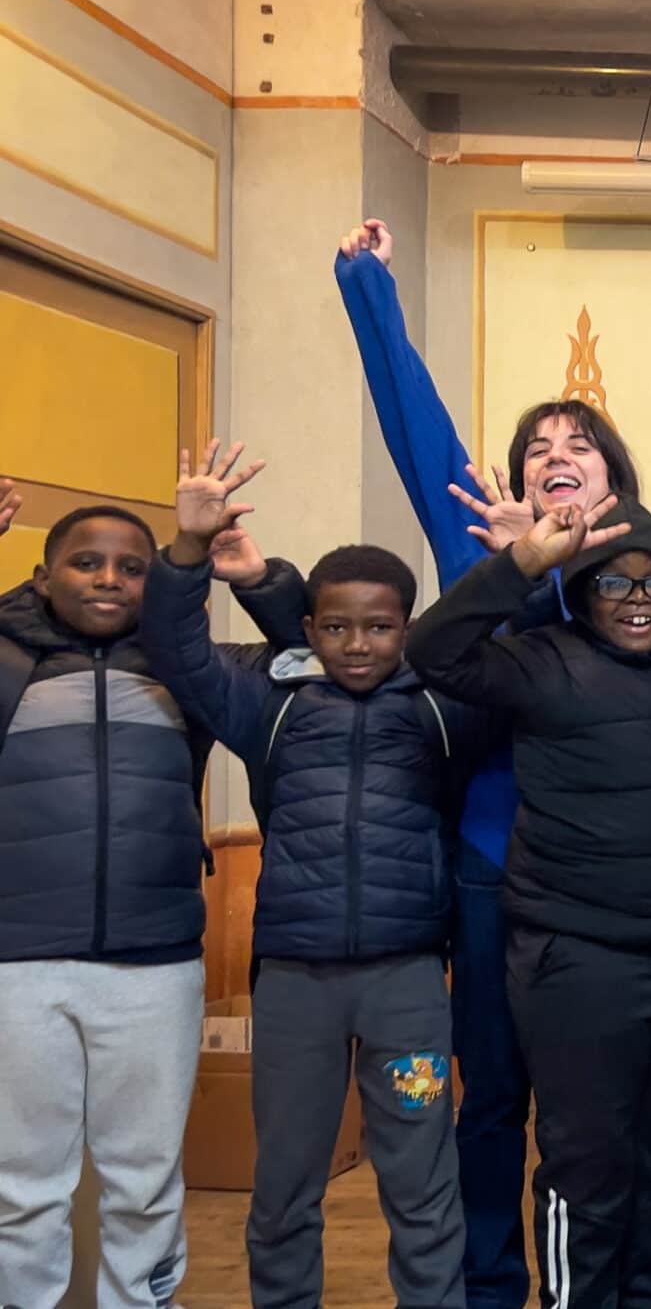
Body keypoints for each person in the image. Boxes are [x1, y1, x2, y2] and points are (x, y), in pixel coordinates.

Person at [338, 217, 651, 1308]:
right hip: (494, 875)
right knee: (491, 1097)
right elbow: (412, 421)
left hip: (621, 902)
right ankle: (491, 1285)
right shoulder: (475, 547)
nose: (554, 455)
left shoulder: (648, 572)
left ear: (612, 475)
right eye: (537, 445)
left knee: (611, 1126)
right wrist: (366, 284)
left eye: (576, 442)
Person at [138, 441, 486, 1308]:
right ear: (308, 628)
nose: (357, 644)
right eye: (335, 627)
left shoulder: (444, 706)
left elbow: (507, 651)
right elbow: (178, 655)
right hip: (294, 985)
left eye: (378, 627)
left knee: (422, 1182)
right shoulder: (269, 705)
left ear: (408, 627)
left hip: (409, 982)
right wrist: (188, 555)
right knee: (286, 1186)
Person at [406, 497, 651, 1309]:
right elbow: (434, 649)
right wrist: (521, 566)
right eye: (614, 581)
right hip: (573, 960)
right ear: (581, 591)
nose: (639, 598)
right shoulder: (541, 661)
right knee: (588, 1165)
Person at [0, 476, 307, 1307]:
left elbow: (312, 662)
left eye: (133, 567)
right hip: (18, 965)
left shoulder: (193, 674)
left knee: (143, 1180)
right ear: (40, 576)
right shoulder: (9, 664)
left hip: (155, 961)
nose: (108, 579)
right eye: (86, 563)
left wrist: (256, 580)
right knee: (23, 1188)